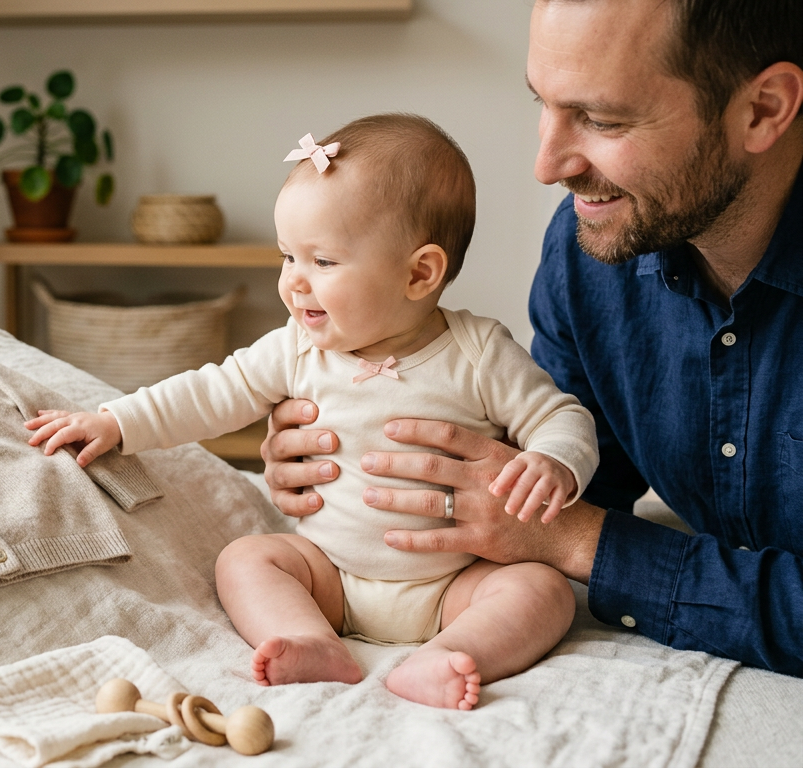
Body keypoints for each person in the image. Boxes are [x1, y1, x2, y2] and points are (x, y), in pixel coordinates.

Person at [262, 0, 803, 676]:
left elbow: (570, 529)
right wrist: (347, 444)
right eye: (543, 104)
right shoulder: (590, 257)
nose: (547, 165)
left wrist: (582, 543)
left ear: (763, 109)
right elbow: (564, 479)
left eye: (602, 119)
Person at [26, 114, 600, 710]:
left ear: (419, 273)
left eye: (322, 262)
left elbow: (561, 417)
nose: (295, 283)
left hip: (454, 582)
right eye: (287, 257)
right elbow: (208, 392)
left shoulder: (479, 354)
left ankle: (453, 654)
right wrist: (116, 422)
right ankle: (310, 639)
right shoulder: (296, 349)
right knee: (246, 559)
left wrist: (553, 462)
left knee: (543, 590)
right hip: (332, 577)